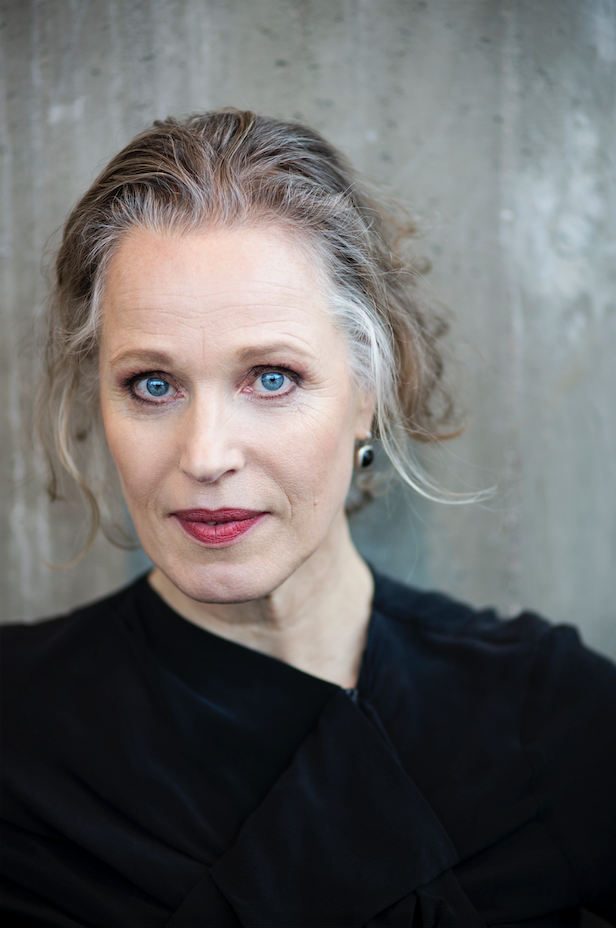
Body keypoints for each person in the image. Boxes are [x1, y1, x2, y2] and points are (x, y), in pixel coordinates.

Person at [1, 110, 614, 928]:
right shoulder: (16, 728)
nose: (205, 455)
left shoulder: (551, 720)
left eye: (271, 377)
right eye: (152, 384)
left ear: (369, 393)